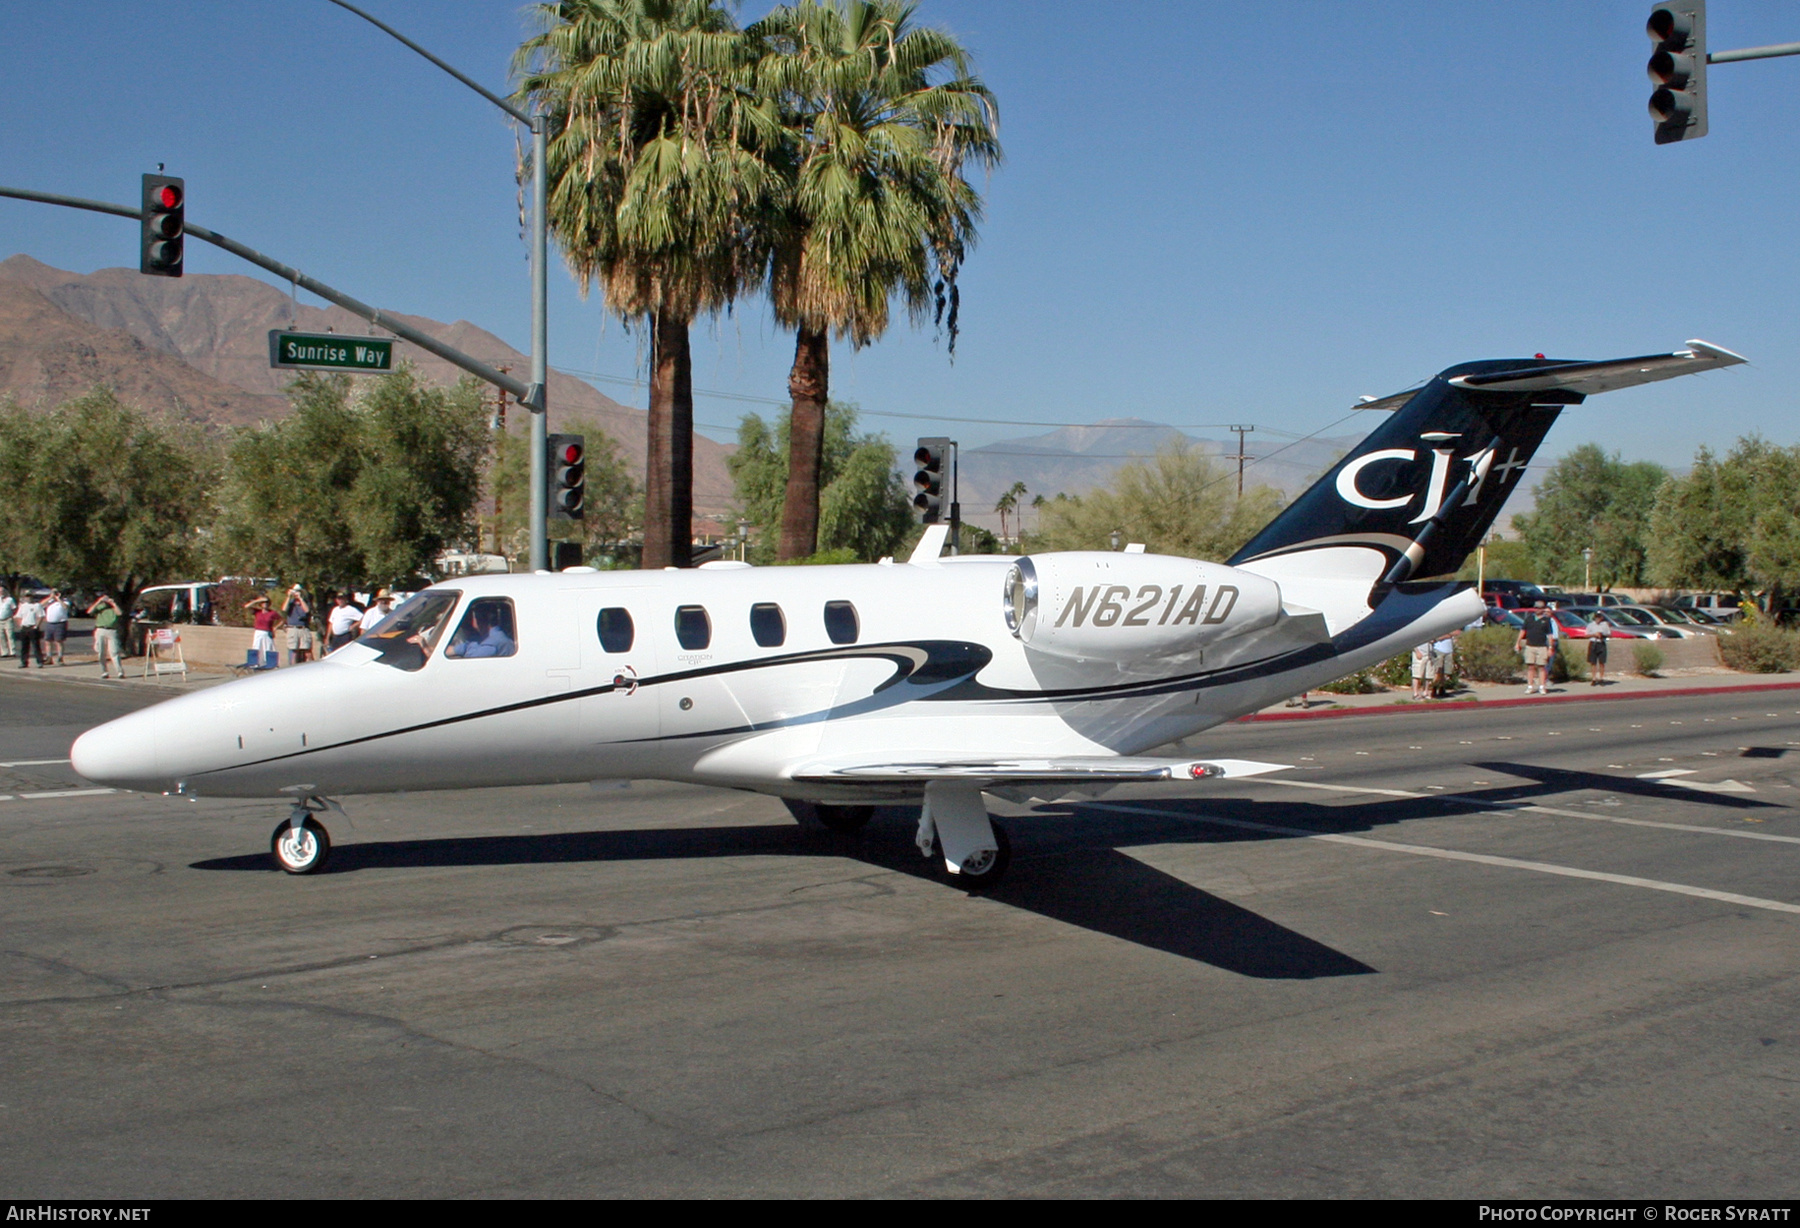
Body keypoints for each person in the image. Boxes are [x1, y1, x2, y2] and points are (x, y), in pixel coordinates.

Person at [443, 602, 515, 659]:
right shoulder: (499, 637)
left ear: (478, 621)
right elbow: (474, 645)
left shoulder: (491, 645)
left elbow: (473, 658)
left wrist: (458, 650)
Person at [1514, 599, 1557, 695]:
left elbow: (1550, 635)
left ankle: (1542, 686)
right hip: (1530, 646)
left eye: (1540, 608)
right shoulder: (1529, 619)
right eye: (1536, 607)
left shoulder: (1546, 620)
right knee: (1530, 667)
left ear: (1543, 609)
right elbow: (1523, 631)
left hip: (1542, 647)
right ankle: (1530, 686)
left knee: (1542, 667)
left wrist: (1550, 647)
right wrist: (1518, 642)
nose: (1537, 609)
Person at [87, 592, 126, 679]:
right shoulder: (100, 606)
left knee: (114, 652)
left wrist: (113, 603)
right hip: (101, 629)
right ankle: (104, 671)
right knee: (101, 652)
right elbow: (89, 611)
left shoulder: (113, 607)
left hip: (112, 630)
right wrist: (99, 601)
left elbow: (119, 613)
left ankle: (120, 672)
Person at [282, 585, 312, 665]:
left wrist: (300, 599)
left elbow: (307, 611)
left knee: (307, 651)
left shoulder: (305, 602)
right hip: (293, 629)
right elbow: (284, 609)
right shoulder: (291, 602)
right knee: (294, 652)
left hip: (303, 629)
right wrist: (288, 596)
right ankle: (293, 668)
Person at [14, 591, 44, 669]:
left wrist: (36, 626)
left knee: (36, 646)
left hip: (32, 627)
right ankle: (24, 662)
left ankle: (39, 662)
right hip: (25, 627)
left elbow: (40, 616)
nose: (28, 598)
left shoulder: (37, 605)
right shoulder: (23, 606)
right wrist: (20, 625)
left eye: (30, 596)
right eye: (27, 596)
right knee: (24, 646)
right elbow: (18, 616)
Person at [247, 594, 280, 661]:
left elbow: (281, 620)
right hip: (258, 632)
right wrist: (257, 600)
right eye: (263, 602)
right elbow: (247, 606)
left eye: (267, 602)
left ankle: (268, 662)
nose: (265, 604)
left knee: (268, 648)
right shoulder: (257, 612)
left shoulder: (272, 613)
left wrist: (275, 627)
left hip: (267, 633)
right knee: (257, 647)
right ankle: (256, 662)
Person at [41, 589, 69, 666]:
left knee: (59, 641)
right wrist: (50, 597)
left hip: (60, 623)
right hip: (49, 623)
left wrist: (58, 598)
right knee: (48, 641)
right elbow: (41, 605)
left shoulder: (65, 601)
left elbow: (65, 607)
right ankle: (49, 657)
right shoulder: (50, 601)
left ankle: (60, 657)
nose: (54, 594)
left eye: (56, 592)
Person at [1430, 630, 1459, 698]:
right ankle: (1434, 688)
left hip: (1449, 651)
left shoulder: (1451, 627)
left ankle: (1442, 688)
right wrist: (1449, 635)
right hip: (1439, 650)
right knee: (1438, 672)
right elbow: (1437, 637)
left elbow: (1457, 632)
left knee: (1446, 672)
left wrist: (1447, 635)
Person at [1586, 609, 1611, 686]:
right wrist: (1594, 635)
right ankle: (1594, 678)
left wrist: (1602, 634)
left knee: (1602, 662)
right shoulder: (1590, 625)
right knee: (1593, 662)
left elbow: (1609, 634)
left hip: (1601, 643)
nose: (1598, 619)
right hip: (1593, 643)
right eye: (1596, 617)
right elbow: (1586, 635)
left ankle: (1601, 678)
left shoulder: (1604, 625)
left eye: (1599, 617)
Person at [0, 586, 14, 659]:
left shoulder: (10, 599)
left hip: (8, 619)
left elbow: (14, 608)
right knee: (1, 637)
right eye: (0, 591)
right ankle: (4, 652)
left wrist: (11, 616)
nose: (1, 593)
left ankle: (12, 652)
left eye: (2, 591)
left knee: (10, 636)